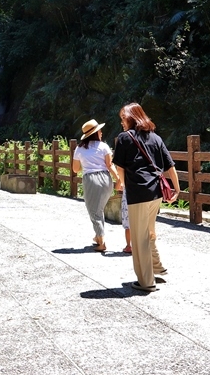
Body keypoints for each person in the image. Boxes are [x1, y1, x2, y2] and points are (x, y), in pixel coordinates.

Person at [112, 103, 180, 292]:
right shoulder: (156, 138)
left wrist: (123, 185)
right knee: (149, 232)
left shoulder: (125, 138)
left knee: (139, 237)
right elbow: (170, 165)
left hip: (139, 193)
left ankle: (146, 281)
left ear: (131, 118)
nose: (122, 123)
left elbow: (120, 167)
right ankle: (157, 267)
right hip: (156, 193)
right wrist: (177, 188)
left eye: (123, 119)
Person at [72, 119, 120, 252]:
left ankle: (102, 241)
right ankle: (97, 235)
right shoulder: (104, 146)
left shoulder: (79, 148)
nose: (101, 132)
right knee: (99, 209)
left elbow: (75, 169)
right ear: (95, 133)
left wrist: (87, 165)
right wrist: (118, 180)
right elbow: (110, 165)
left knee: (94, 211)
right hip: (106, 179)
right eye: (99, 131)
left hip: (91, 180)